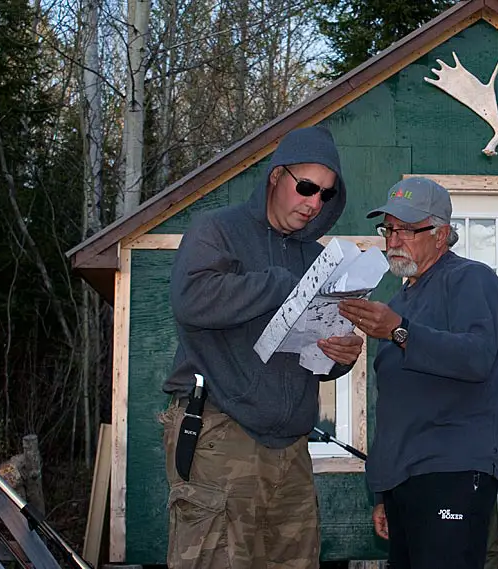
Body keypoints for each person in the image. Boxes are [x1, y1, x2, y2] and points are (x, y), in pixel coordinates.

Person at [161, 126, 363, 569]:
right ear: (276, 176)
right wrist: (280, 285)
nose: (314, 203)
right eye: (306, 187)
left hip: (293, 450)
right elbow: (191, 299)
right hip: (221, 434)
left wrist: (339, 355)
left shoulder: (318, 259)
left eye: (326, 194)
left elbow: (313, 352)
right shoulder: (218, 230)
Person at [338, 176, 498, 569]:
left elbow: (477, 357)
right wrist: (383, 492)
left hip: (452, 472)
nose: (393, 240)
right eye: (388, 229)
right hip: (404, 482)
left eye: (406, 229)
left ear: (441, 234)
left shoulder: (471, 279)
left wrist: (400, 331)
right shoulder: (399, 300)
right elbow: (394, 406)